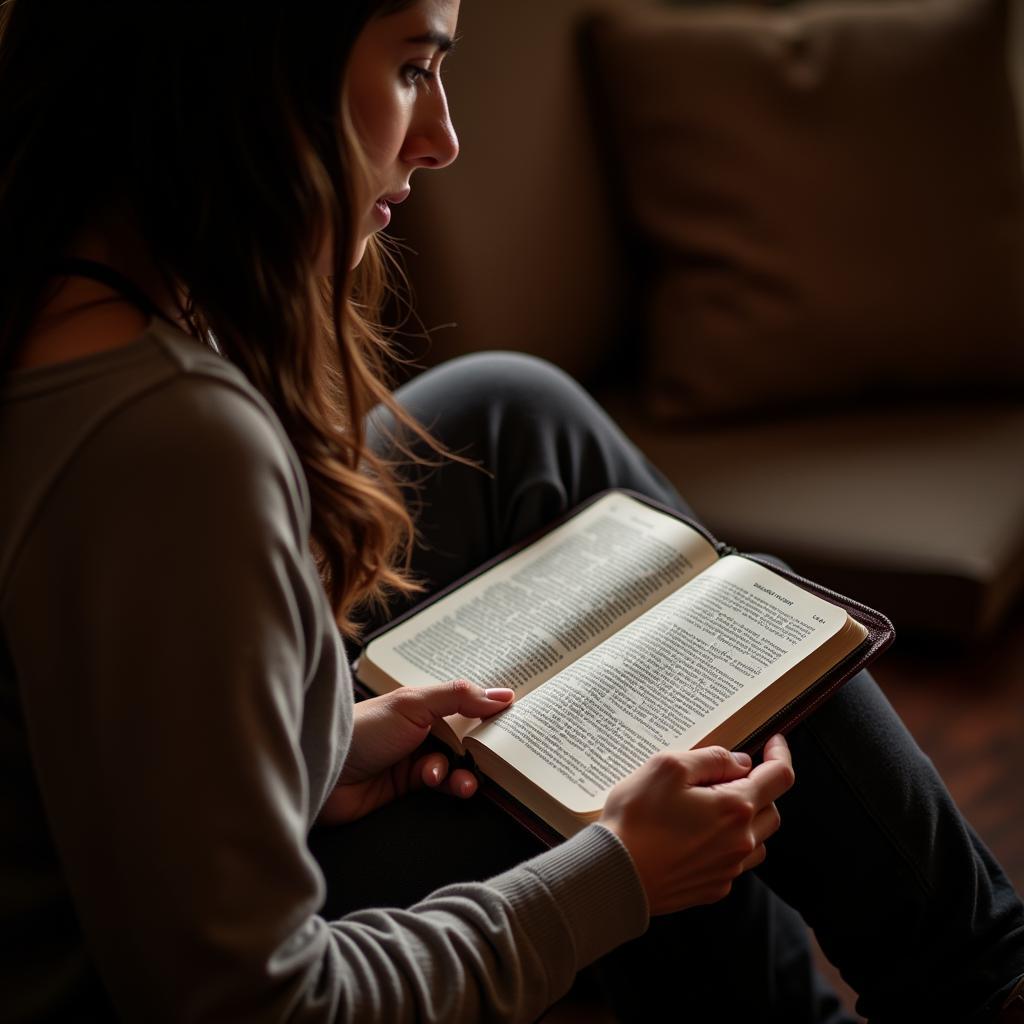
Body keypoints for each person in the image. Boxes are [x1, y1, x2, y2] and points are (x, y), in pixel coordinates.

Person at [0, 1, 1021, 1021]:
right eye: (411, 69)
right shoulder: (170, 447)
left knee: (510, 416)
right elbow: (247, 1003)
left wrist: (318, 749)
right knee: (633, 772)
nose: (442, 138)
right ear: (248, 78)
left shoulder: (86, 280)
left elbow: (98, 722)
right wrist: (616, 874)